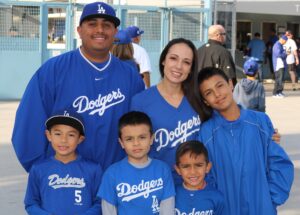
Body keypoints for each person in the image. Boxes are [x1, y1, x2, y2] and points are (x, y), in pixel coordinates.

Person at [12, 1, 145, 172]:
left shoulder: (130, 76)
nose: (99, 30)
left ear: (115, 32)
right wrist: (44, 173)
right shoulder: (53, 70)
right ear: (79, 30)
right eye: (92, 24)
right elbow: (28, 126)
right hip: (66, 181)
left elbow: (142, 129)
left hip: (114, 184)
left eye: (106, 25)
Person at [197, 67, 294, 215]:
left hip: (261, 208)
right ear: (206, 101)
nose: (217, 94)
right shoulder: (206, 133)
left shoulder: (260, 121)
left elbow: (279, 163)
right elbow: (204, 176)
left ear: (231, 84)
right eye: (209, 93)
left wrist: (269, 199)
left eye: (220, 86)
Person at [130, 38, 206, 184]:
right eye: (173, 58)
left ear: (191, 69)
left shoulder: (198, 99)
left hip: (193, 186)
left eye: (186, 62)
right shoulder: (140, 101)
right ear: (163, 60)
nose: (179, 66)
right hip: (155, 185)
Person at [24, 109, 103, 215]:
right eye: (58, 134)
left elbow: (100, 203)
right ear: (48, 135)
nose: (63, 140)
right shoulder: (38, 169)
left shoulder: (93, 169)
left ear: (80, 139)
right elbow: (31, 203)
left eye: (71, 135)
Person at [97, 111, 175, 215]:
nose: (136, 143)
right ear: (121, 143)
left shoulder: (162, 169)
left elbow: (167, 209)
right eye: (129, 139)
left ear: (151, 139)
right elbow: (108, 211)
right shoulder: (112, 173)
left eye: (142, 137)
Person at [174, 140, 224, 215]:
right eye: (186, 166)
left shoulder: (217, 197)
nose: (193, 172)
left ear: (207, 167)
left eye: (198, 165)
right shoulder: (172, 194)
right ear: (178, 170)